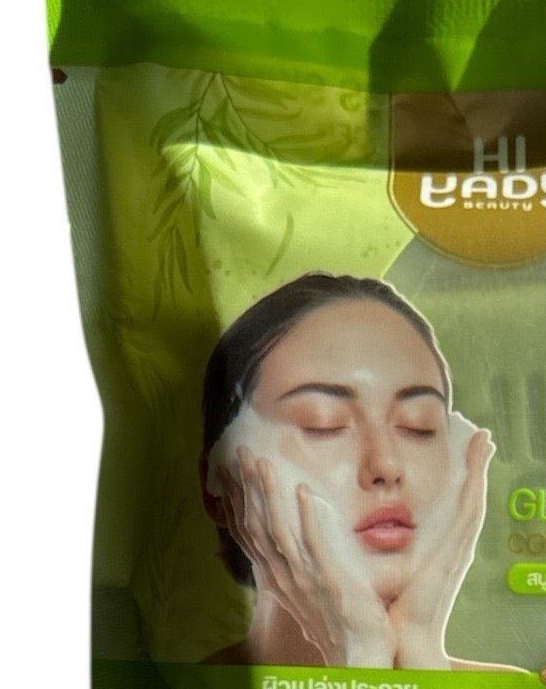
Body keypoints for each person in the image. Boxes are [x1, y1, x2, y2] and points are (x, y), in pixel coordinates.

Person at [199, 273, 496, 668]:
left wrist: (420, 652)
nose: (386, 465)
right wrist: (358, 657)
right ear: (218, 488)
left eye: (418, 424)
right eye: (323, 423)